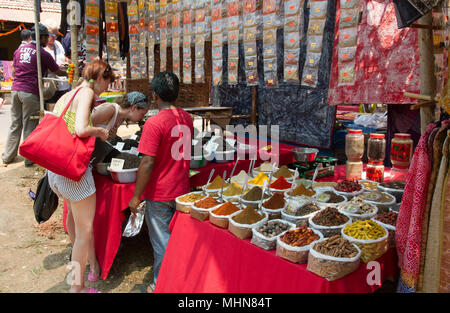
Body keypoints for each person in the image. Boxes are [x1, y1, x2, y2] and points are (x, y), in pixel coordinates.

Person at [47, 59, 115, 293]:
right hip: (73, 172)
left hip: (56, 170)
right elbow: (81, 130)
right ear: (100, 77)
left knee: (75, 225)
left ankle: (79, 275)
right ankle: (78, 287)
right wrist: (101, 132)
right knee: (85, 233)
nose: (107, 87)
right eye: (108, 81)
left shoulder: (70, 93)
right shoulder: (86, 93)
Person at [128, 72, 193, 293]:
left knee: (162, 242)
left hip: (161, 192)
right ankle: (180, 278)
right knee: (176, 239)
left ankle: (162, 284)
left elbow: (146, 163)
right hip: (182, 188)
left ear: (155, 95)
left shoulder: (154, 123)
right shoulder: (187, 118)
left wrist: (136, 195)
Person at [2, 24, 67, 167]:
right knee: (30, 125)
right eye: (47, 37)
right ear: (42, 37)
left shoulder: (19, 50)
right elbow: (57, 70)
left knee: (15, 123)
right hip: (29, 91)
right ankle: (29, 158)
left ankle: (8, 156)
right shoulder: (41, 53)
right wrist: (70, 73)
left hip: (15, 91)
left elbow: (13, 71)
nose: (48, 39)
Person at [42, 19, 71, 108]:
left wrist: (66, 65)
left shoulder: (58, 44)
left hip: (63, 84)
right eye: (53, 35)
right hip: (50, 86)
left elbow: (65, 59)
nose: (55, 37)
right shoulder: (41, 47)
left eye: (56, 35)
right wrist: (56, 68)